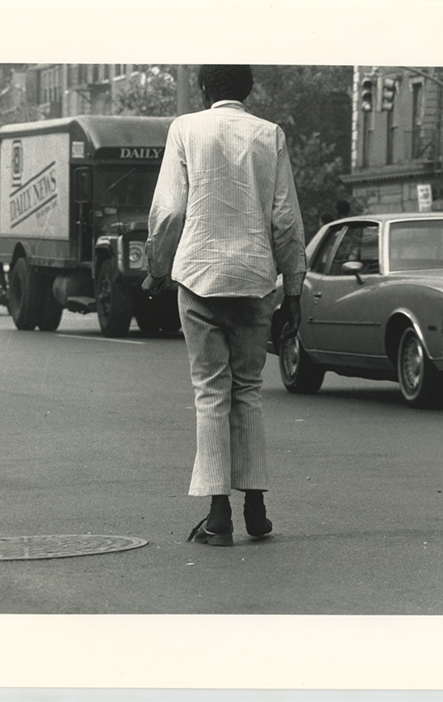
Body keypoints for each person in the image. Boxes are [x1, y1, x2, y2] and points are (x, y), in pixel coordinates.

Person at [144, 65, 306, 547]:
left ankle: (218, 516)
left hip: (198, 277)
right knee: (248, 390)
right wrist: (293, 288)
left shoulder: (185, 129)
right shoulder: (269, 134)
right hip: (255, 278)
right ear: (247, 89)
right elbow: (285, 218)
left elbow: (171, 210)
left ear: (203, 88)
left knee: (211, 393)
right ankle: (256, 508)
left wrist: (157, 267)